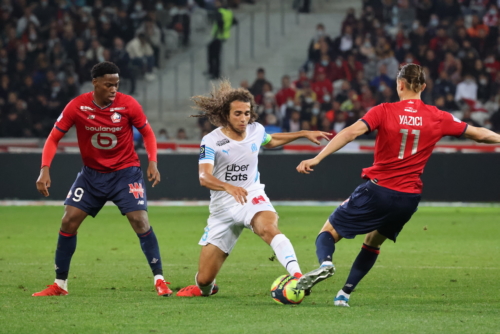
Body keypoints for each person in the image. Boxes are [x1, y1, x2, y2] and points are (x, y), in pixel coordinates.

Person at [294, 64, 500, 307]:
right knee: (373, 242)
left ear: (399, 84)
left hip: (379, 190)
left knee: (327, 232)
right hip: (408, 198)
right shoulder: (439, 116)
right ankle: (344, 294)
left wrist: (317, 158)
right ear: (423, 87)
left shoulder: (383, 110)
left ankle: (326, 263)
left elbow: (350, 133)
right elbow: (478, 134)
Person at [176, 80, 331, 297]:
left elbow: (271, 140)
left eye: (247, 113)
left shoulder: (256, 131)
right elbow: (204, 177)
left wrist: (303, 133)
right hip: (223, 207)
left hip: (251, 195)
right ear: (226, 114)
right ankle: (205, 290)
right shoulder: (211, 141)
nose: (243, 119)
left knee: (268, 228)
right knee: (204, 279)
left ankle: (298, 277)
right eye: (238, 113)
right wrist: (228, 186)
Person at [32, 62, 172, 297]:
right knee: (68, 221)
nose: (114, 89)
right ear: (95, 83)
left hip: (125, 173)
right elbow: (53, 138)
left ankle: (160, 280)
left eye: (116, 85)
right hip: (91, 175)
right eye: (108, 84)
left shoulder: (128, 104)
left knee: (140, 220)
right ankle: (60, 285)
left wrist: (153, 162)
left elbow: (147, 132)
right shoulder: (77, 106)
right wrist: (44, 168)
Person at [207, 1, 237, 79]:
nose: (215, 4)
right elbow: (234, 21)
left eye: (216, 2)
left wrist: (219, 31)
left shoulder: (219, 11)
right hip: (224, 36)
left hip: (218, 36)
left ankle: (214, 73)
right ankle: (213, 71)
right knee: (215, 54)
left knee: (214, 55)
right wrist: (227, 28)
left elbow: (220, 23)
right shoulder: (229, 12)